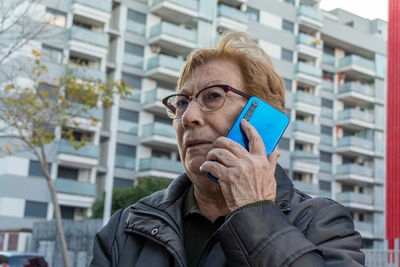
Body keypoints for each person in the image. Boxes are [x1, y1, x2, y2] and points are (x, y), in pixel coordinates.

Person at [90, 31, 364, 267]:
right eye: (182, 102)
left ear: (260, 117)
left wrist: (253, 210)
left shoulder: (322, 223)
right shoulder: (124, 229)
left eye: (213, 96)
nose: (187, 117)